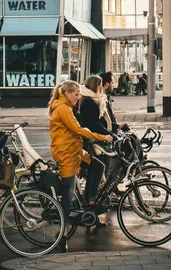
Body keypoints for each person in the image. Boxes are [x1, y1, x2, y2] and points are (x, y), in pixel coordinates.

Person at [48, 80, 113, 251]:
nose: (78, 98)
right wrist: (102, 137)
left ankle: (90, 203)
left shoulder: (66, 106)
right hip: (66, 154)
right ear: (67, 93)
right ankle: (62, 235)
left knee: (98, 166)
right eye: (76, 95)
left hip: (75, 151)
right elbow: (77, 129)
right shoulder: (62, 108)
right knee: (68, 194)